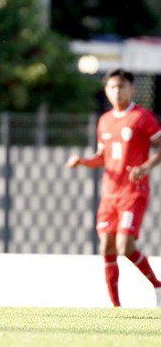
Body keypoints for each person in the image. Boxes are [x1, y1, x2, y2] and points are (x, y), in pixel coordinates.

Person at [66, 68, 161, 307]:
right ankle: (116, 307)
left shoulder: (142, 117)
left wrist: (146, 167)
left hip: (133, 192)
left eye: (121, 86)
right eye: (112, 87)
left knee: (124, 246)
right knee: (106, 246)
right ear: (106, 90)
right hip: (109, 194)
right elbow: (102, 157)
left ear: (131, 88)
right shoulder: (104, 120)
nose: (116, 91)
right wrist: (83, 161)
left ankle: (158, 286)